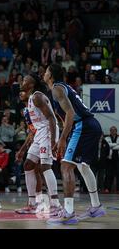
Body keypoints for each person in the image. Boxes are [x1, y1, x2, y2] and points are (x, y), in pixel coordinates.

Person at [44, 64, 105, 224]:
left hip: (83, 125)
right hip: (90, 124)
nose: (44, 74)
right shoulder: (61, 88)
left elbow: (71, 113)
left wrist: (63, 138)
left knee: (66, 166)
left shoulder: (57, 88)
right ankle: (96, 206)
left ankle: (69, 212)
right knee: (83, 166)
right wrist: (64, 136)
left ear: (50, 75)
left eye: (46, 71)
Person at [19, 74, 62, 215]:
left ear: (31, 84)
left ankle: (56, 204)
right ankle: (32, 203)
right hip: (40, 132)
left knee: (45, 166)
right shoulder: (31, 98)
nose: (22, 81)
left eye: (25, 80)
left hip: (48, 131)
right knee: (28, 165)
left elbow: (51, 117)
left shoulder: (38, 96)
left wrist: (54, 141)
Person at [105, 126, 118, 193]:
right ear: (110, 131)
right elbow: (108, 145)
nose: (113, 131)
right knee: (108, 174)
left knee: (118, 173)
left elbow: (111, 145)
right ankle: (107, 188)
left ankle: (118, 189)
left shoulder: (118, 138)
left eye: (114, 130)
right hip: (109, 158)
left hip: (117, 158)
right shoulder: (107, 138)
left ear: (116, 131)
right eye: (111, 130)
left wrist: (111, 146)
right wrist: (116, 145)